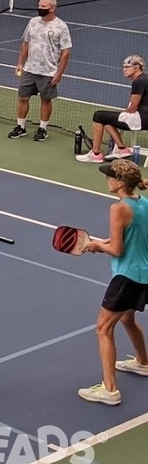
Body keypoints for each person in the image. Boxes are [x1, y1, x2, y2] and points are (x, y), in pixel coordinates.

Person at [75, 159, 148, 405]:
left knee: (103, 328)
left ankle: (110, 390)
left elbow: (117, 249)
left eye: (110, 176)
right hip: (144, 274)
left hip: (127, 276)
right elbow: (132, 236)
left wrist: (98, 246)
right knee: (127, 318)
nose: (107, 179)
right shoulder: (143, 203)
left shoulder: (117, 208)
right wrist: (103, 242)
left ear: (119, 182)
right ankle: (143, 362)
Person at [10, 0, 72, 142]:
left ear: (52, 8)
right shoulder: (32, 22)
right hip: (30, 69)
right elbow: (26, 43)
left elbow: (65, 52)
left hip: (49, 71)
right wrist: (20, 63)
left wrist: (59, 73)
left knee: (45, 100)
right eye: (39, 5)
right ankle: (21, 126)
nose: (40, 9)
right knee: (22, 98)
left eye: (43, 7)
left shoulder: (61, 26)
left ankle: (43, 129)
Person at [76, 55, 148, 163]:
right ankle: (121, 149)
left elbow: (133, 107)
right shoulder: (145, 78)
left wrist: (124, 113)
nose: (124, 70)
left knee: (98, 115)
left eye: (127, 67)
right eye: (123, 67)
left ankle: (95, 154)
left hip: (139, 119)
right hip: (144, 118)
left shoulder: (138, 82)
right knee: (106, 118)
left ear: (137, 67)